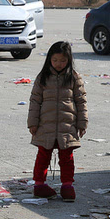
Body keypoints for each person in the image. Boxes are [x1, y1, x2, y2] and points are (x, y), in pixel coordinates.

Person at [26, 41, 87, 201]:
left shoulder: (74, 77)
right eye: (55, 60)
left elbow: (81, 102)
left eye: (62, 60)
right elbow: (35, 101)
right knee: (43, 156)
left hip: (67, 126)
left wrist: (82, 123)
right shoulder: (43, 78)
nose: (59, 64)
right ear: (49, 60)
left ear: (69, 60)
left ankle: (67, 186)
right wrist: (33, 123)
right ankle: (39, 185)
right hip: (45, 125)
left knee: (67, 158)